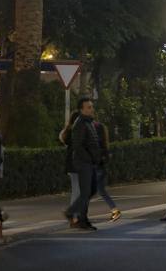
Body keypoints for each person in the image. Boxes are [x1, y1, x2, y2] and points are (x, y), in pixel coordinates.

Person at [65, 97, 101, 231]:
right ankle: (80, 218)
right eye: (88, 107)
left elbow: (92, 143)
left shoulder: (88, 122)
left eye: (92, 106)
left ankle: (78, 215)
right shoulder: (80, 124)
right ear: (81, 110)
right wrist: (89, 158)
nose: (92, 109)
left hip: (89, 162)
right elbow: (78, 146)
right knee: (86, 192)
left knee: (90, 190)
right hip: (83, 163)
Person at [93, 117, 121, 222]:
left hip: (96, 166)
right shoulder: (104, 143)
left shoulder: (96, 142)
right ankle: (114, 209)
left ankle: (78, 215)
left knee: (87, 190)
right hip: (101, 166)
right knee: (101, 191)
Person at [59, 110, 80, 227]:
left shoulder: (68, 131)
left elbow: (62, 139)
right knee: (79, 192)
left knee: (77, 191)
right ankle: (73, 215)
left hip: (71, 165)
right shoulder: (76, 131)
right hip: (78, 164)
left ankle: (74, 216)